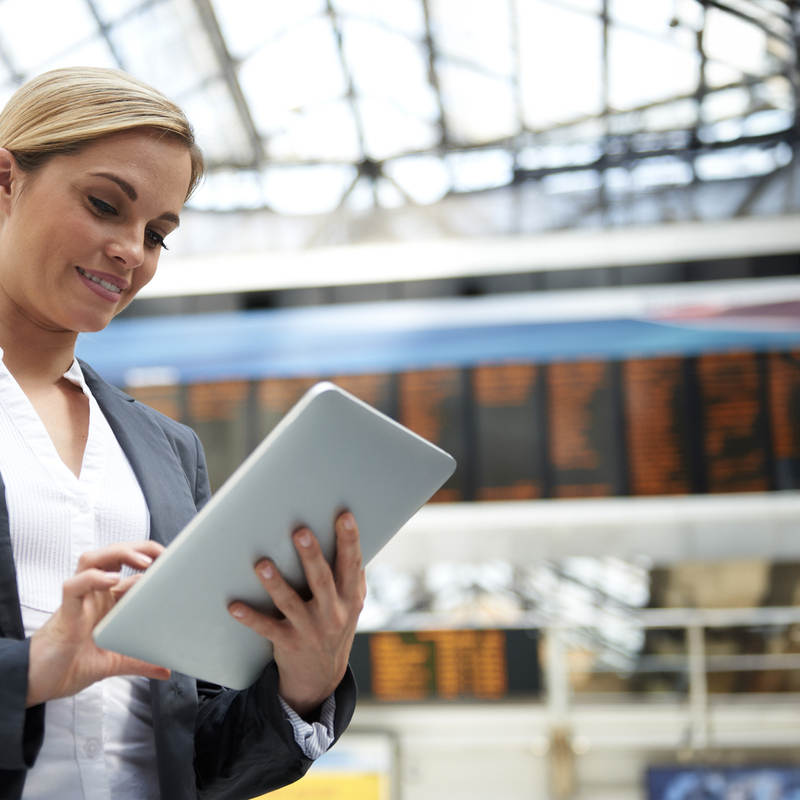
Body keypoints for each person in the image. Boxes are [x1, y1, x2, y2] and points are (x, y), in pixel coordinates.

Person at [0, 67, 365, 799]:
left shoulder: (168, 451)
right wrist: (28, 674)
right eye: (106, 205)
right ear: (5, 181)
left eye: (158, 233)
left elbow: (189, 741)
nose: (132, 252)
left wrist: (303, 684)